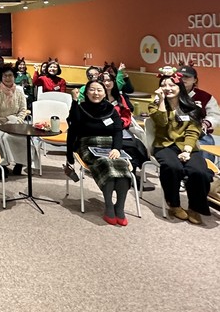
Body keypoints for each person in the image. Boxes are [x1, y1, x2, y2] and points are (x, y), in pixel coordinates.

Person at [149, 71, 213, 224]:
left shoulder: (192, 107)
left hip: (187, 146)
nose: (167, 88)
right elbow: (162, 122)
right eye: (163, 85)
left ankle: (195, 208)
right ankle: (174, 204)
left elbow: (193, 131)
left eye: (172, 85)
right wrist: (161, 101)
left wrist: (187, 150)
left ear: (180, 87)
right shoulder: (155, 105)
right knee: (172, 167)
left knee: (200, 171)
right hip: (164, 145)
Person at [66, 80, 133, 226]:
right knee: (106, 164)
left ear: (104, 93)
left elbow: (118, 131)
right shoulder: (80, 108)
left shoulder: (111, 109)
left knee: (122, 166)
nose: (95, 93)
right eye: (92, 90)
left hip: (110, 146)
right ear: (86, 92)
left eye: (99, 90)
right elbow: (73, 125)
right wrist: (75, 101)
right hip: (87, 145)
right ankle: (109, 207)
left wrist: (116, 148)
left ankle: (119, 207)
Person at [99, 72, 148, 177]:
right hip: (102, 130)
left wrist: (121, 123)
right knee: (123, 145)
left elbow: (126, 115)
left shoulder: (120, 97)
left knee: (135, 146)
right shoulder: (96, 97)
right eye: (104, 80)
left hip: (120, 128)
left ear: (113, 82)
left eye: (109, 80)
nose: (106, 83)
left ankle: (131, 175)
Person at [0, 64, 29, 176]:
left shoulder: (19, 91)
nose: (8, 78)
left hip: (14, 120)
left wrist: (19, 120)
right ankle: (3, 163)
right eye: (5, 76)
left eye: (10, 75)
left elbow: (23, 110)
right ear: (1, 77)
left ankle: (19, 162)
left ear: (14, 76)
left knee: (20, 135)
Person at [176, 65, 220, 153]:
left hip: (199, 134)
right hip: (174, 133)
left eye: (187, 77)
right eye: (180, 77)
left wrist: (205, 124)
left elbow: (215, 115)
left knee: (207, 144)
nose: (183, 79)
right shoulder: (170, 93)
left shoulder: (205, 97)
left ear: (195, 80)